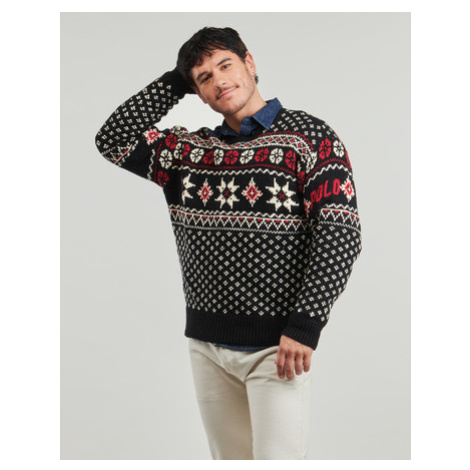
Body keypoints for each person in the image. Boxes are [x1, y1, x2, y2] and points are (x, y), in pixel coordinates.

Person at [95, 26, 362, 460]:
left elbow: (340, 233)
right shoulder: (187, 153)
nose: (219, 80)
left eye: (226, 65)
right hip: (207, 348)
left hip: (278, 347)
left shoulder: (309, 137)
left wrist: (305, 325)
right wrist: (176, 79)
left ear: (249, 63)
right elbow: (113, 138)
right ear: (197, 93)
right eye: (204, 78)